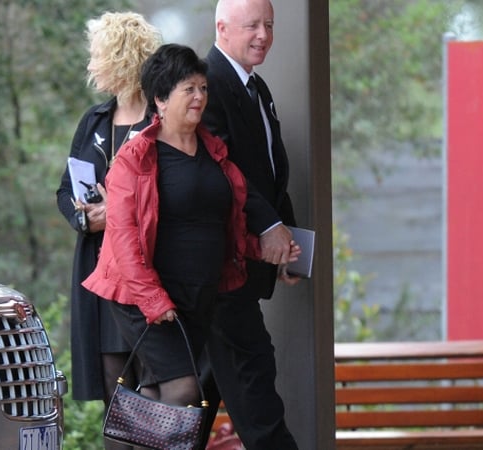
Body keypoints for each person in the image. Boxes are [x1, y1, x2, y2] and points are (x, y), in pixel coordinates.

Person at [82, 42, 296, 425]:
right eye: (189, 90)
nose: (200, 97)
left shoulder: (215, 153)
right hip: (145, 298)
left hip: (196, 297)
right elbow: (124, 239)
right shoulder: (136, 158)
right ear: (160, 100)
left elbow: (221, 227)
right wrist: (153, 300)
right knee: (184, 391)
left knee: (151, 395)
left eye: (203, 88)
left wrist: (259, 249)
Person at [54, 12, 161, 450]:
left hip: (146, 277)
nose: (91, 65)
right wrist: (84, 217)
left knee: (156, 391)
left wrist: (116, 214)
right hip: (99, 276)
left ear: (120, 58)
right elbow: (65, 191)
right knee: (114, 396)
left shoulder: (162, 120)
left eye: (97, 55)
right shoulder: (94, 121)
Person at [198, 0, 300, 448]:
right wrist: (270, 226)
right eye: (253, 25)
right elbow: (225, 169)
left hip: (240, 266)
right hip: (222, 267)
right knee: (255, 384)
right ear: (221, 27)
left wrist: (291, 240)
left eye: (270, 25)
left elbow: (269, 174)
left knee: (196, 397)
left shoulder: (256, 87)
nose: (264, 34)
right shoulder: (207, 85)